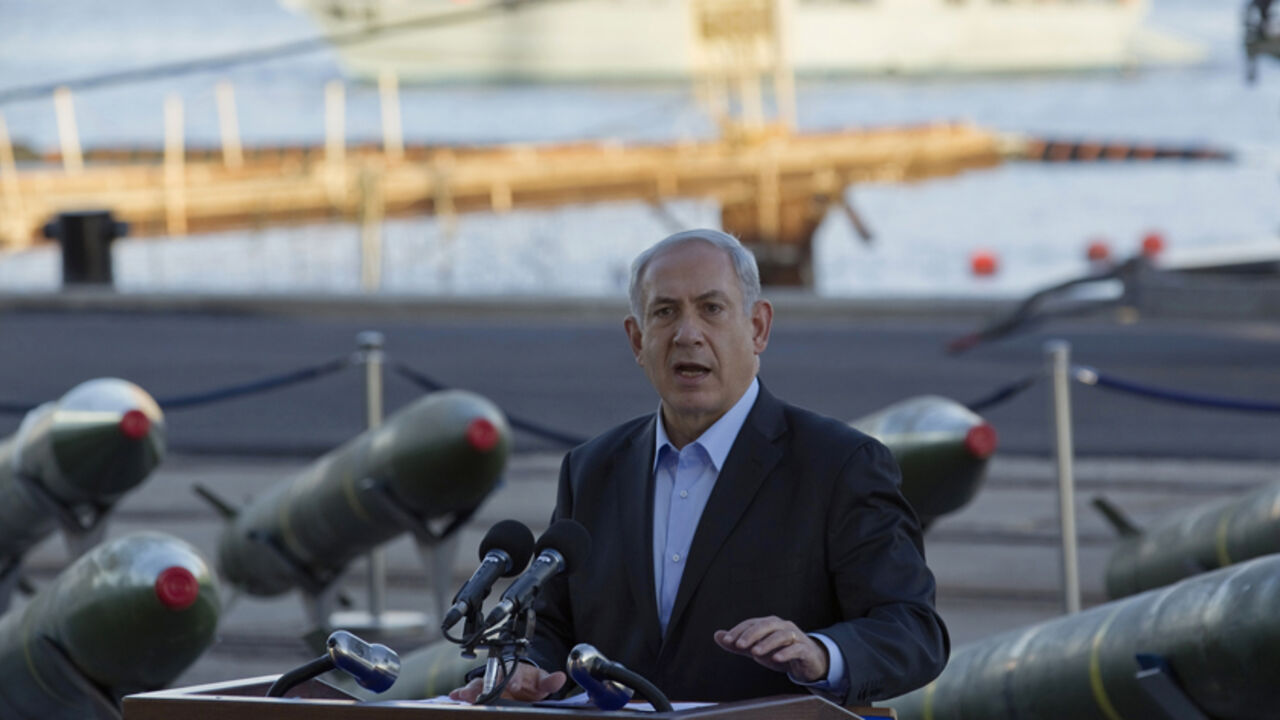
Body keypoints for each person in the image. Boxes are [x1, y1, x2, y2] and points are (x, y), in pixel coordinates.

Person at [451, 229, 948, 706]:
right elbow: (552, 628)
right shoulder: (591, 469)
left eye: (711, 309)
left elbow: (913, 630)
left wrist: (821, 652)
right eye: (665, 312)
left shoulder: (839, 465)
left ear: (757, 327)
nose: (688, 334)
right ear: (637, 340)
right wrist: (524, 668)